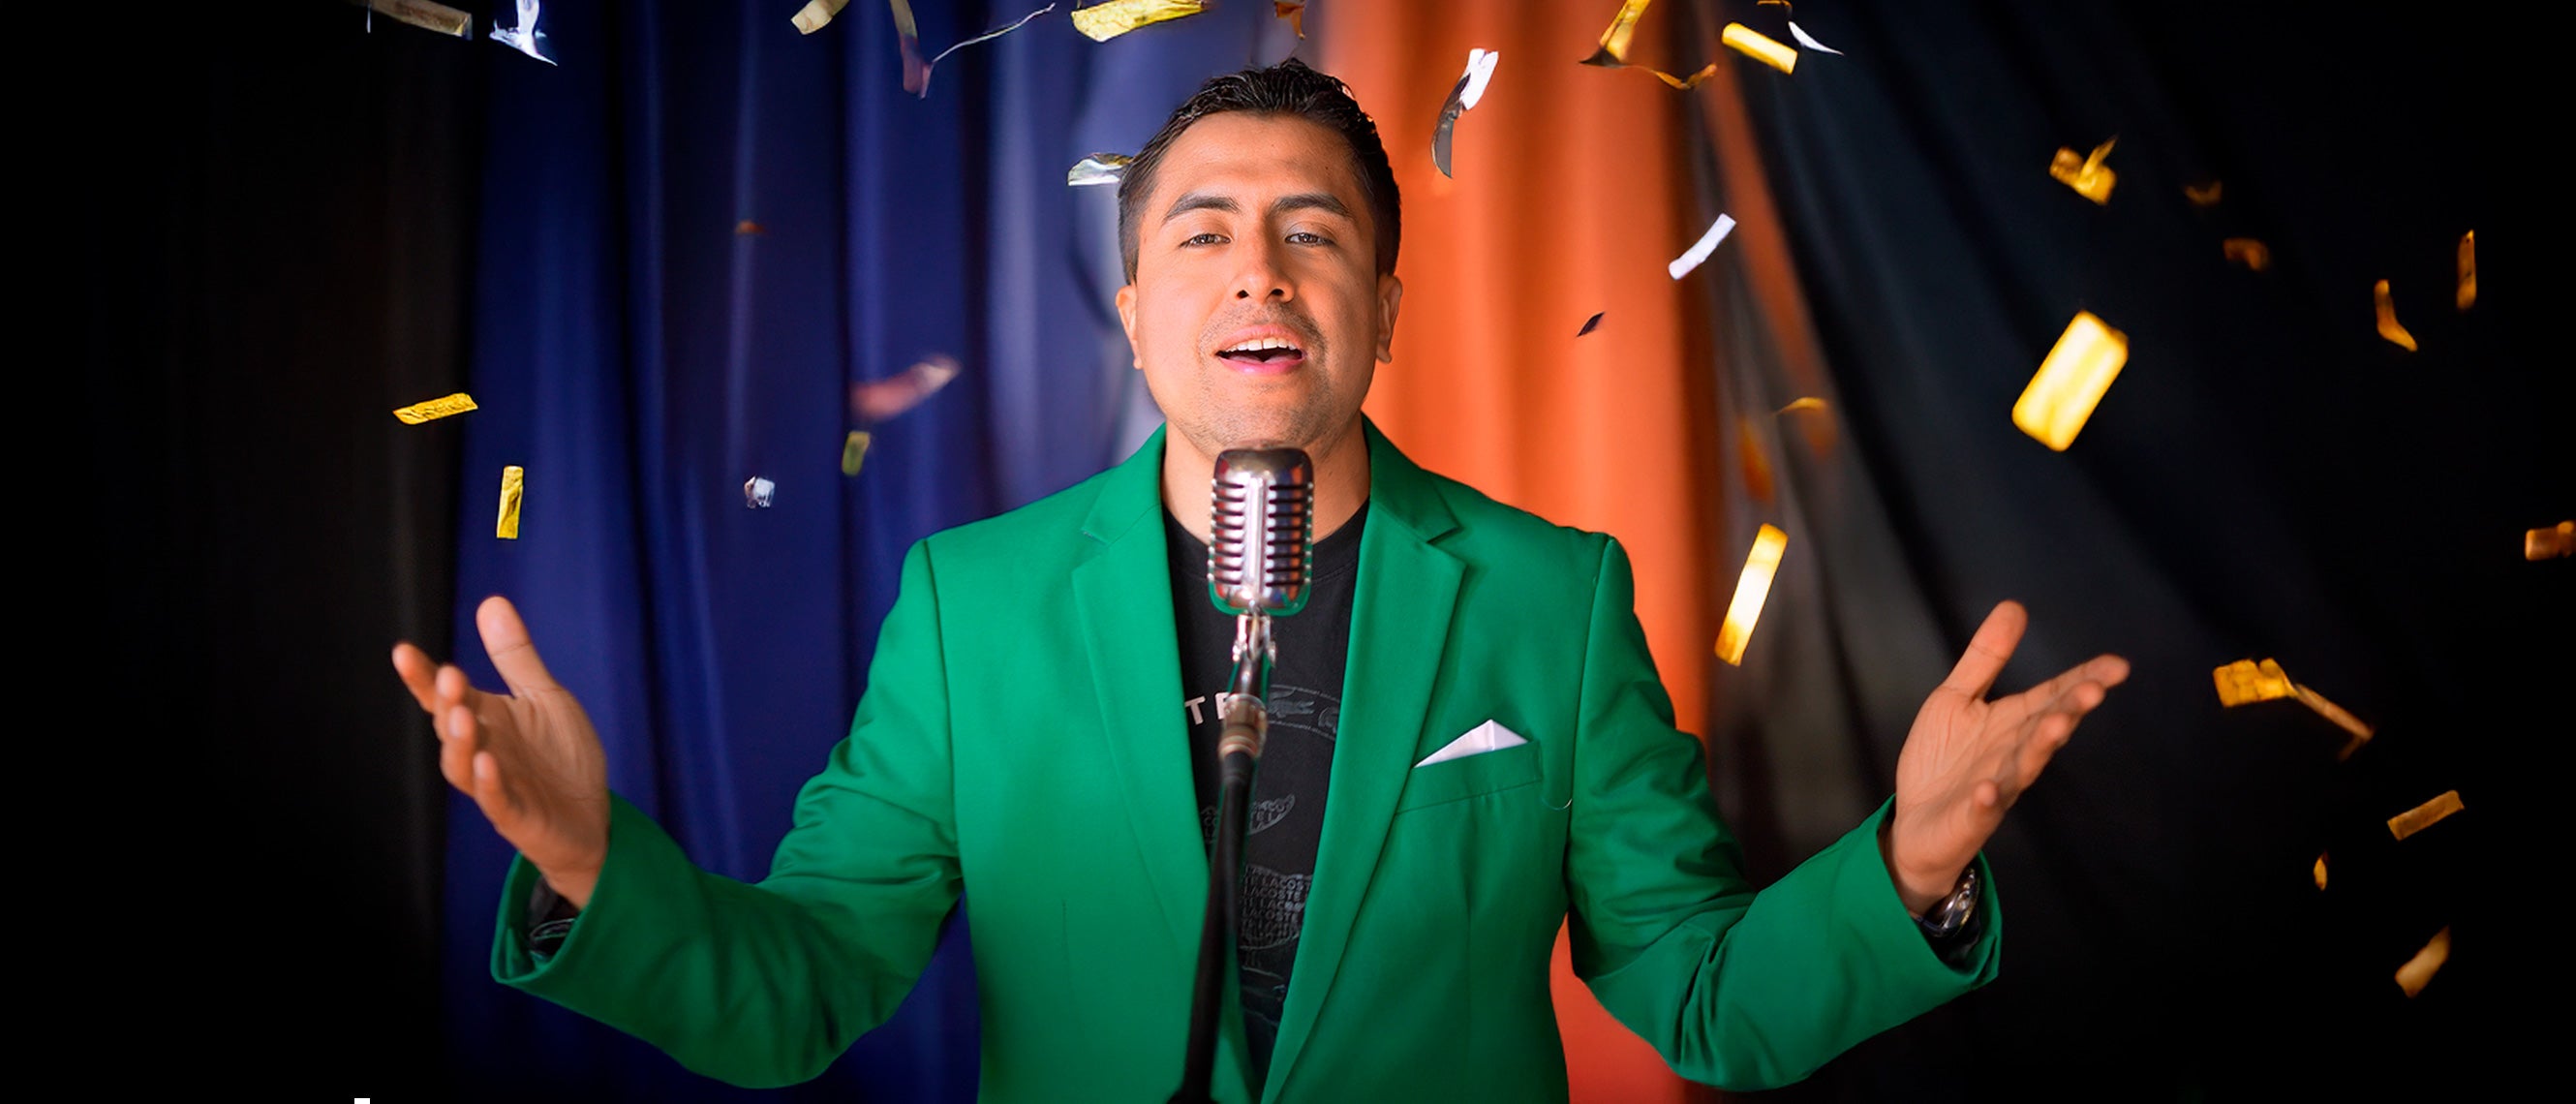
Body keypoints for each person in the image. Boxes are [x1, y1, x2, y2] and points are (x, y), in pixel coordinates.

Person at [391, 60, 2129, 1102]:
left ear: (1383, 309)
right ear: (1137, 316)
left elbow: (1698, 1000)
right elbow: (805, 995)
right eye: (1203, 233)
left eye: (1316, 232)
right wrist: (590, 869)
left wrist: (1908, 869)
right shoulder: (969, 609)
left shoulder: (1554, 598)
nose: (1261, 274)